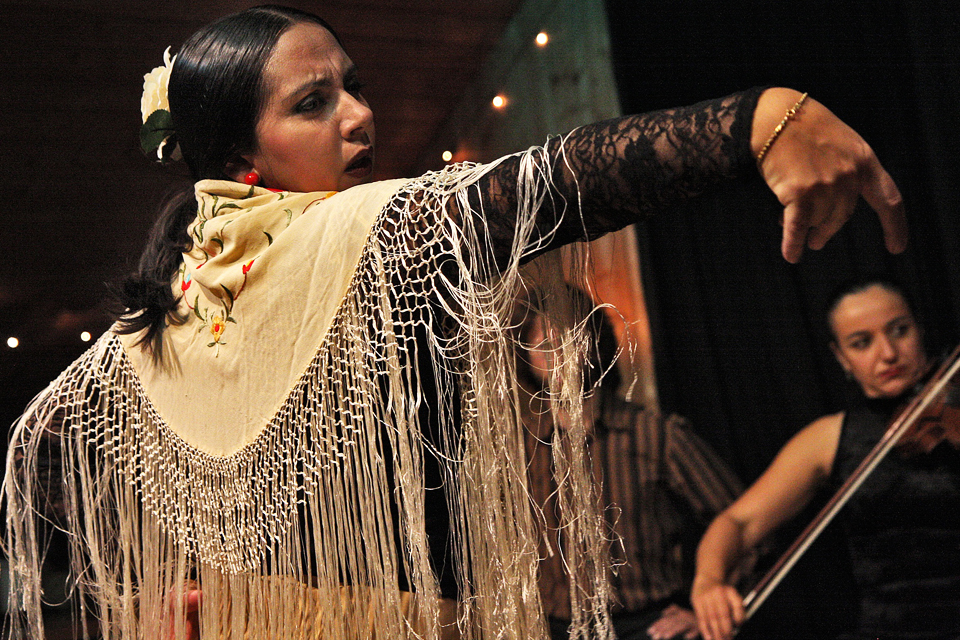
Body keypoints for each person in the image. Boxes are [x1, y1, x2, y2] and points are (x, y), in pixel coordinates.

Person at [2, 4, 908, 640]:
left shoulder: (162, 318)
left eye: (350, 87)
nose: (360, 116)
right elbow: (547, 186)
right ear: (239, 151)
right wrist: (754, 124)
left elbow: (36, 445)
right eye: (313, 103)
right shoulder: (356, 235)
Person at [690, 277, 960, 640]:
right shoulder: (828, 438)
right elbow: (738, 522)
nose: (888, 354)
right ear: (841, 357)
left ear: (920, 328)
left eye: (899, 330)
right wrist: (708, 583)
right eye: (861, 343)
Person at [515, 290, 745, 640]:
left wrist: (706, 609)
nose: (559, 357)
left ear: (594, 344)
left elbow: (742, 522)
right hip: (556, 628)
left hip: (649, 624)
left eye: (570, 340)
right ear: (527, 358)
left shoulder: (655, 433)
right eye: (545, 346)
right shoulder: (522, 449)